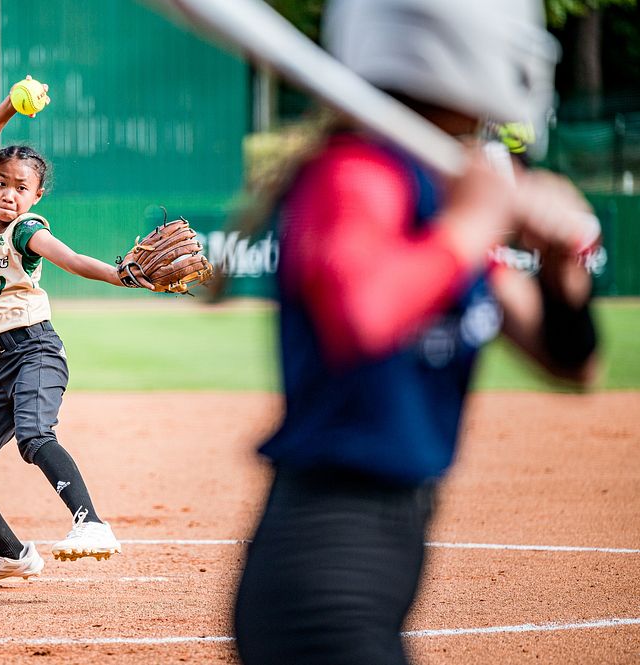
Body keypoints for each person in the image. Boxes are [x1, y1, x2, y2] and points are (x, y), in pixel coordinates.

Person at [233, 1, 600, 663]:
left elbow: (569, 363)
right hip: (322, 578)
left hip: (386, 560)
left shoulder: (443, 191)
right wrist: (473, 224)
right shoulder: (356, 174)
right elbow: (363, 316)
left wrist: (559, 273)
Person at [0, 76, 151, 588]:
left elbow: (73, 259)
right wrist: (10, 107)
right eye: (1, 182)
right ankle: (12, 554)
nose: (9, 192)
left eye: (21, 186)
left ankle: (92, 523)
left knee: (35, 437)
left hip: (34, 351)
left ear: (36, 195)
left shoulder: (25, 231)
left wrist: (121, 274)